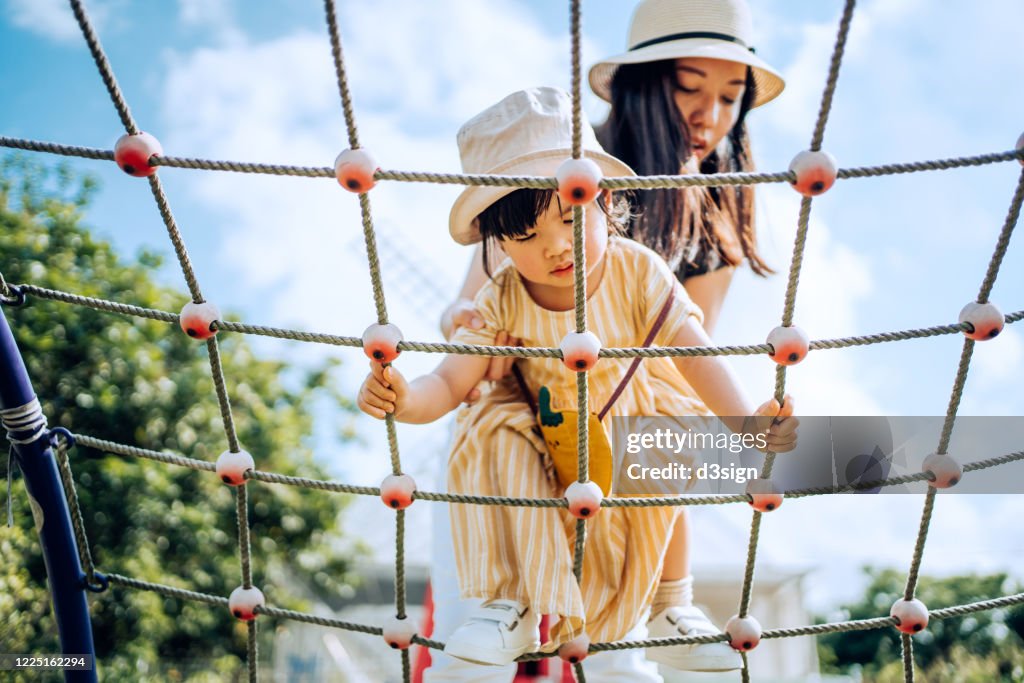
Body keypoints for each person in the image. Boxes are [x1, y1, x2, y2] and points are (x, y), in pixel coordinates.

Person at [358, 87, 797, 670]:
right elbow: (451, 382)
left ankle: (671, 603)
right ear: (496, 243)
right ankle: (507, 604)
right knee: (488, 434)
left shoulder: (636, 270)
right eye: (525, 237)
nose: (556, 246)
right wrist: (405, 399)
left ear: (604, 199)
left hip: (622, 420)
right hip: (542, 431)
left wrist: (744, 423)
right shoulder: (502, 296)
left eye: (570, 218)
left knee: (662, 433)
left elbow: (696, 354)